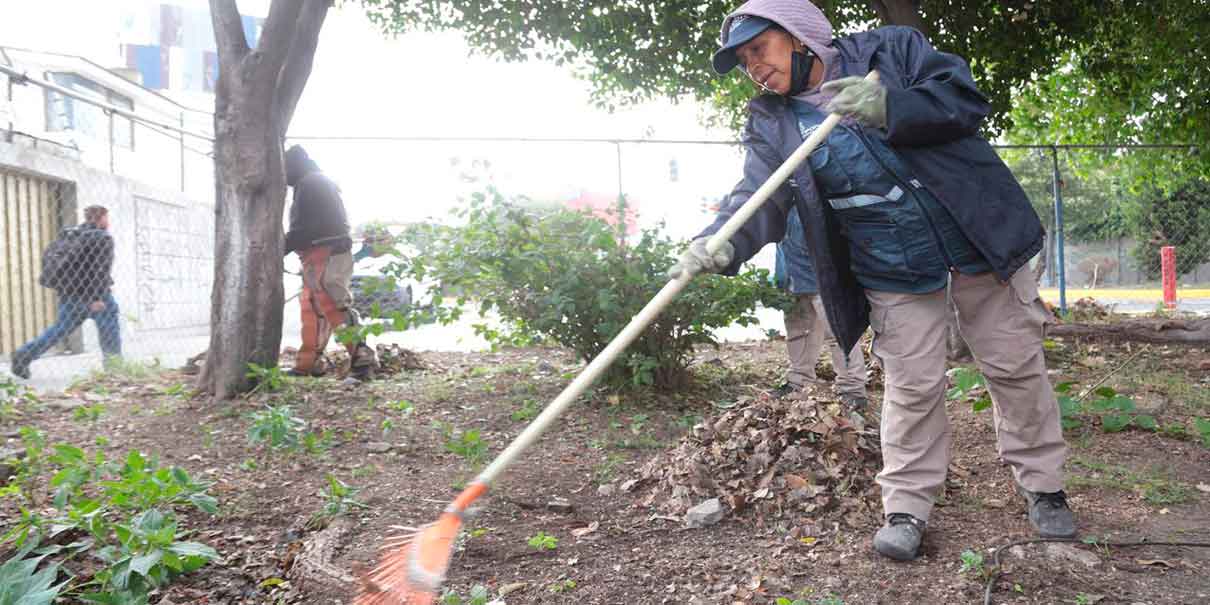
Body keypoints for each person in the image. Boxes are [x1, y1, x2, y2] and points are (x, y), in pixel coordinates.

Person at [668, 0, 1074, 560]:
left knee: (1015, 369)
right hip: (893, 266)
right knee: (911, 387)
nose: (753, 68)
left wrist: (890, 105)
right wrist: (721, 241)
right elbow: (759, 196)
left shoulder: (892, 51)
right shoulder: (772, 119)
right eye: (742, 61)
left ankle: (1044, 488)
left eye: (759, 50)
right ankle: (906, 507)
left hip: (978, 241)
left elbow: (961, 100)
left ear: (798, 35)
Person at [283, 145, 378, 380]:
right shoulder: (315, 182)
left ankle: (362, 361)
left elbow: (303, 229)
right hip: (321, 252)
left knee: (332, 304)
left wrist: (278, 250)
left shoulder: (311, 184)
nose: (283, 178)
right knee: (313, 307)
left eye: (285, 170)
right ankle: (308, 364)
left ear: (294, 166)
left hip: (327, 251)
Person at [11, 205, 121, 379]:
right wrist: (97, 298)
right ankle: (115, 370)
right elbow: (100, 270)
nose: (108, 221)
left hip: (69, 294)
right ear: (101, 218)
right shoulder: (102, 238)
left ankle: (23, 354)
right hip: (96, 295)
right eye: (107, 218)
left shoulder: (70, 235)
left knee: (58, 330)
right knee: (109, 331)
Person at [772, 207, 868, 408]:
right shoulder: (780, 197)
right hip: (791, 275)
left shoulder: (814, 190)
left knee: (840, 333)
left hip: (824, 277)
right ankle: (798, 381)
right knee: (798, 332)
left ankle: (853, 389)